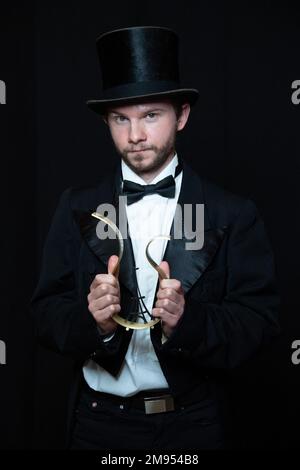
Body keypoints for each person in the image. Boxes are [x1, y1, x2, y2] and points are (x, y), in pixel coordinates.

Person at [30, 26, 280, 450]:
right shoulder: (77, 206)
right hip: (98, 424)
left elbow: (259, 323)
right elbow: (44, 315)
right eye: (120, 119)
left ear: (181, 116)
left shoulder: (229, 213)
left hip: (193, 424)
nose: (135, 136)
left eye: (150, 115)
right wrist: (95, 324)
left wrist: (191, 321)